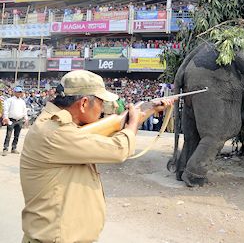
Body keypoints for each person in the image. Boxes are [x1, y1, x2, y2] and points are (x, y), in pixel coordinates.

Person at [20, 70, 174, 243]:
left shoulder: (59, 125)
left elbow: (92, 138)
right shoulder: (55, 131)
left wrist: (148, 110)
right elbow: (118, 149)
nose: (102, 110)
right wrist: (133, 123)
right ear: (84, 103)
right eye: (101, 103)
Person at [2, 86, 28, 156]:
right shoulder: (9, 100)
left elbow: (24, 110)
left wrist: (26, 118)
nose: (19, 93)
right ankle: (5, 148)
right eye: (18, 92)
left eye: (20, 92)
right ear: (14, 92)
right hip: (11, 120)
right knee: (8, 135)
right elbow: (6, 110)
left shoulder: (22, 101)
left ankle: (14, 148)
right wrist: (6, 118)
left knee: (17, 135)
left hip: (19, 120)